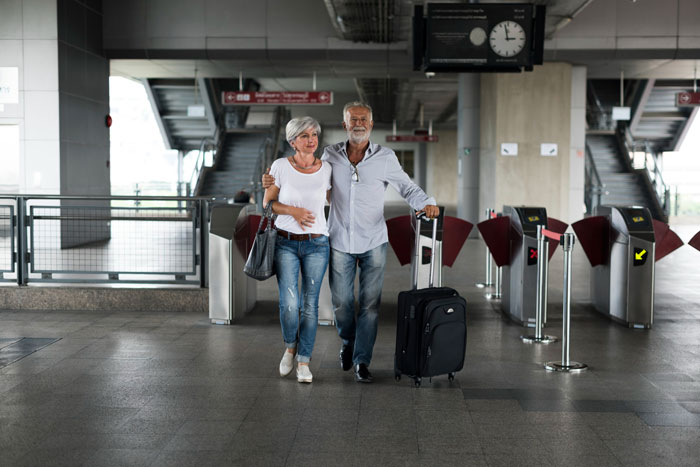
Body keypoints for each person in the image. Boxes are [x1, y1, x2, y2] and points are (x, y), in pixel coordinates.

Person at [264, 102, 438, 383]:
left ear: (371, 124)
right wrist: (271, 180)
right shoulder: (330, 155)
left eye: (364, 119)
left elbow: (407, 187)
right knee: (342, 303)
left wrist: (427, 203)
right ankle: (348, 341)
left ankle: (361, 360)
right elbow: (307, 175)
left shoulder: (386, 157)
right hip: (339, 240)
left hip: (373, 240)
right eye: (353, 119)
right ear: (344, 125)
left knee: (370, 305)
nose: (359, 123)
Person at [263, 116, 332, 384]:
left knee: (310, 305)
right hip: (286, 242)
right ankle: (290, 347)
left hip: (317, 244)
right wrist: (294, 211)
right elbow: (268, 203)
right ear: (293, 141)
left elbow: (338, 196)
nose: (311, 139)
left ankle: (304, 360)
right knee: (289, 303)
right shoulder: (280, 166)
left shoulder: (327, 168)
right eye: (304, 135)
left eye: (314, 134)